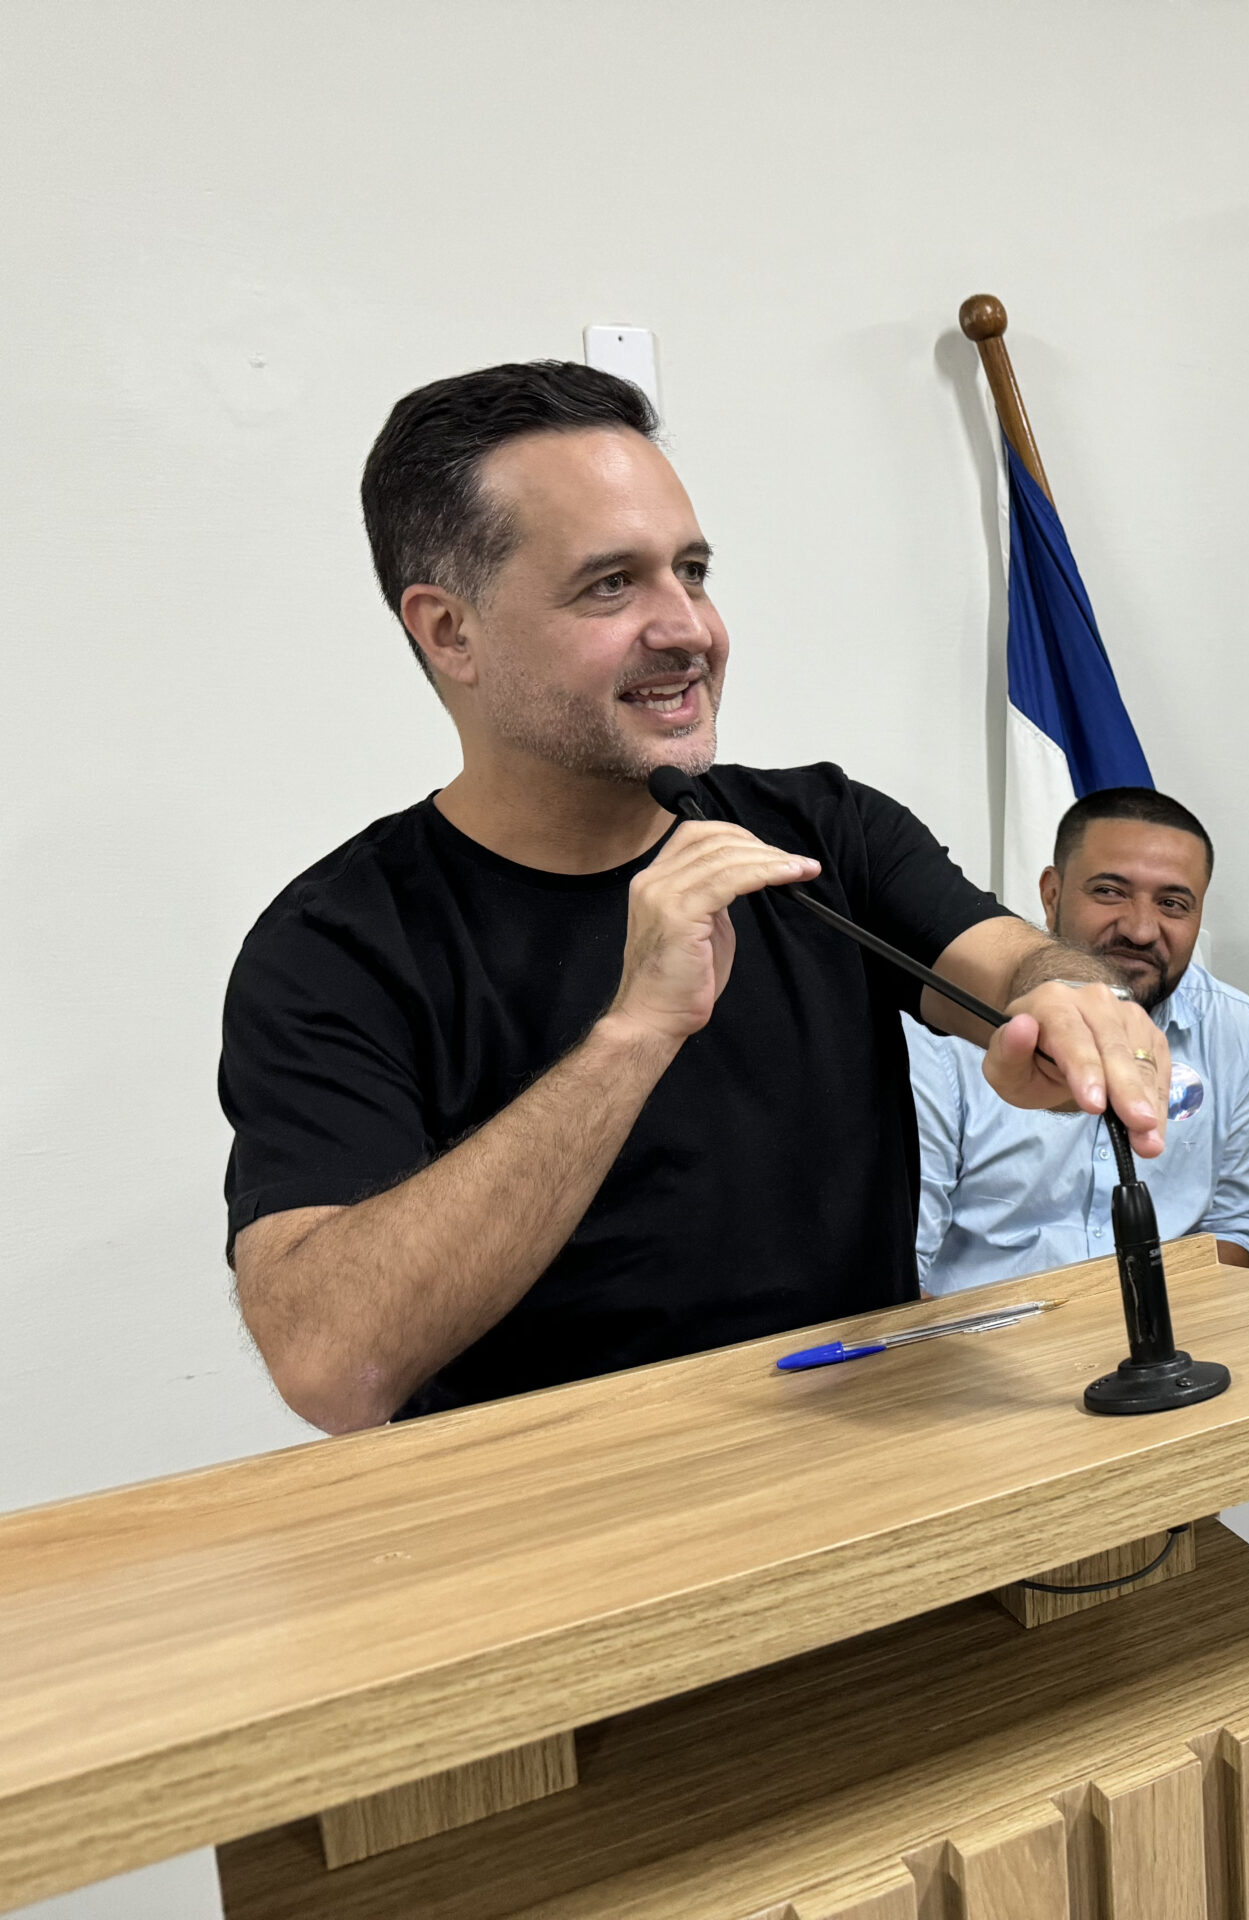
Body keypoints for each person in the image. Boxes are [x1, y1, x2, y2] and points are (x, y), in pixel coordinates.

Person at [220, 362, 1171, 1432]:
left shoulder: (822, 828)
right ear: (450, 631)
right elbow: (332, 1367)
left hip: (872, 1456)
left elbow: (1013, 964)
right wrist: (633, 1035)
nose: (690, 630)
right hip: (558, 1505)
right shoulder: (336, 944)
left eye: (693, 571)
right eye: (609, 585)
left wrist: (1073, 1005)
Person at [906, 788, 1249, 1292]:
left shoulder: (1238, 1027)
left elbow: (1229, 1226)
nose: (1141, 931)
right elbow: (905, 1267)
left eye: (1172, 903)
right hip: (990, 1330)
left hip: (1175, 1319)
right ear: (1051, 895)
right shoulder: (945, 1035)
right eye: (1109, 892)